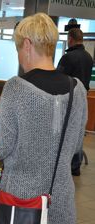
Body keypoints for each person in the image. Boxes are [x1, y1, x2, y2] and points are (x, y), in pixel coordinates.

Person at [0, 13, 87, 224]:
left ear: (27, 45)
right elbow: (75, 146)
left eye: (18, 48)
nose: (19, 55)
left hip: (21, 200)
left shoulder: (15, 87)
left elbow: (0, 148)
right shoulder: (78, 90)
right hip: (61, 198)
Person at [57, 28, 93, 176]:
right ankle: (75, 166)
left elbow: (57, 79)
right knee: (77, 131)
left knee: (64, 131)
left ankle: (64, 165)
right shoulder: (89, 57)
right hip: (83, 99)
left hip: (68, 99)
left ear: (70, 39)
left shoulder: (68, 57)